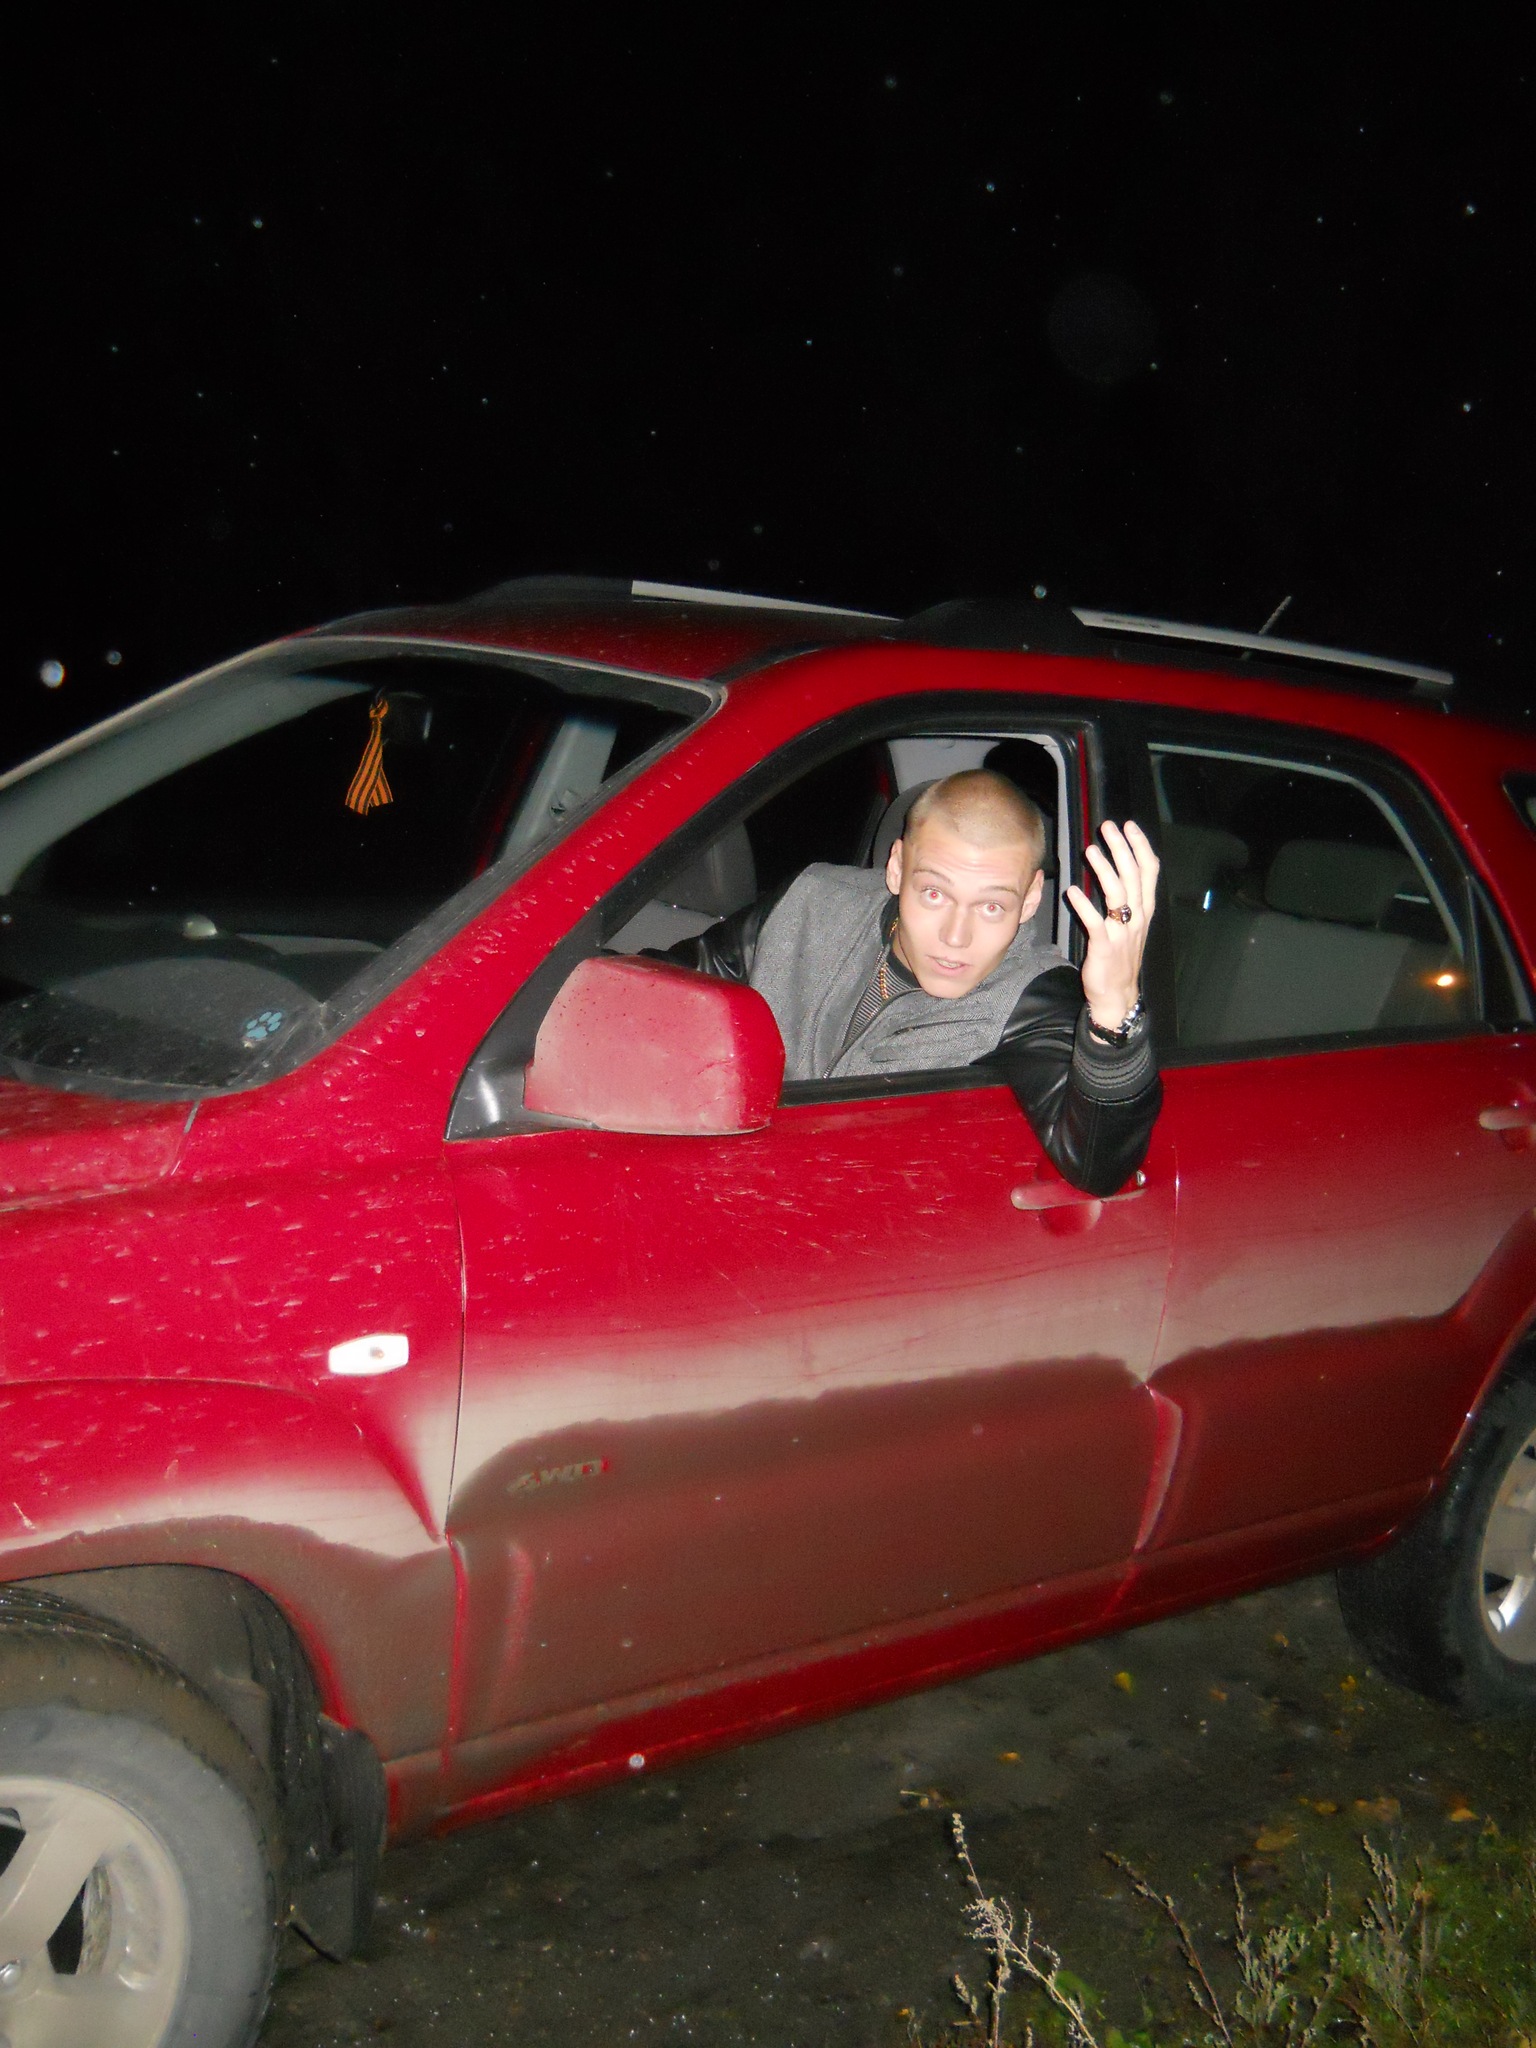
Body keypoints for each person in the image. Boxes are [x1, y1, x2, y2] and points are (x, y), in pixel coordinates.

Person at [663, 769, 1161, 1196]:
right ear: (898, 867)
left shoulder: (1033, 998)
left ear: (1030, 899)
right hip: (723, 1189)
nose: (956, 937)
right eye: (934, 894)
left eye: (992, 906)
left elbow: (1098, 1167)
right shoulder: (811, 905)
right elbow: (667, 992)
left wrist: (1114, 1014)